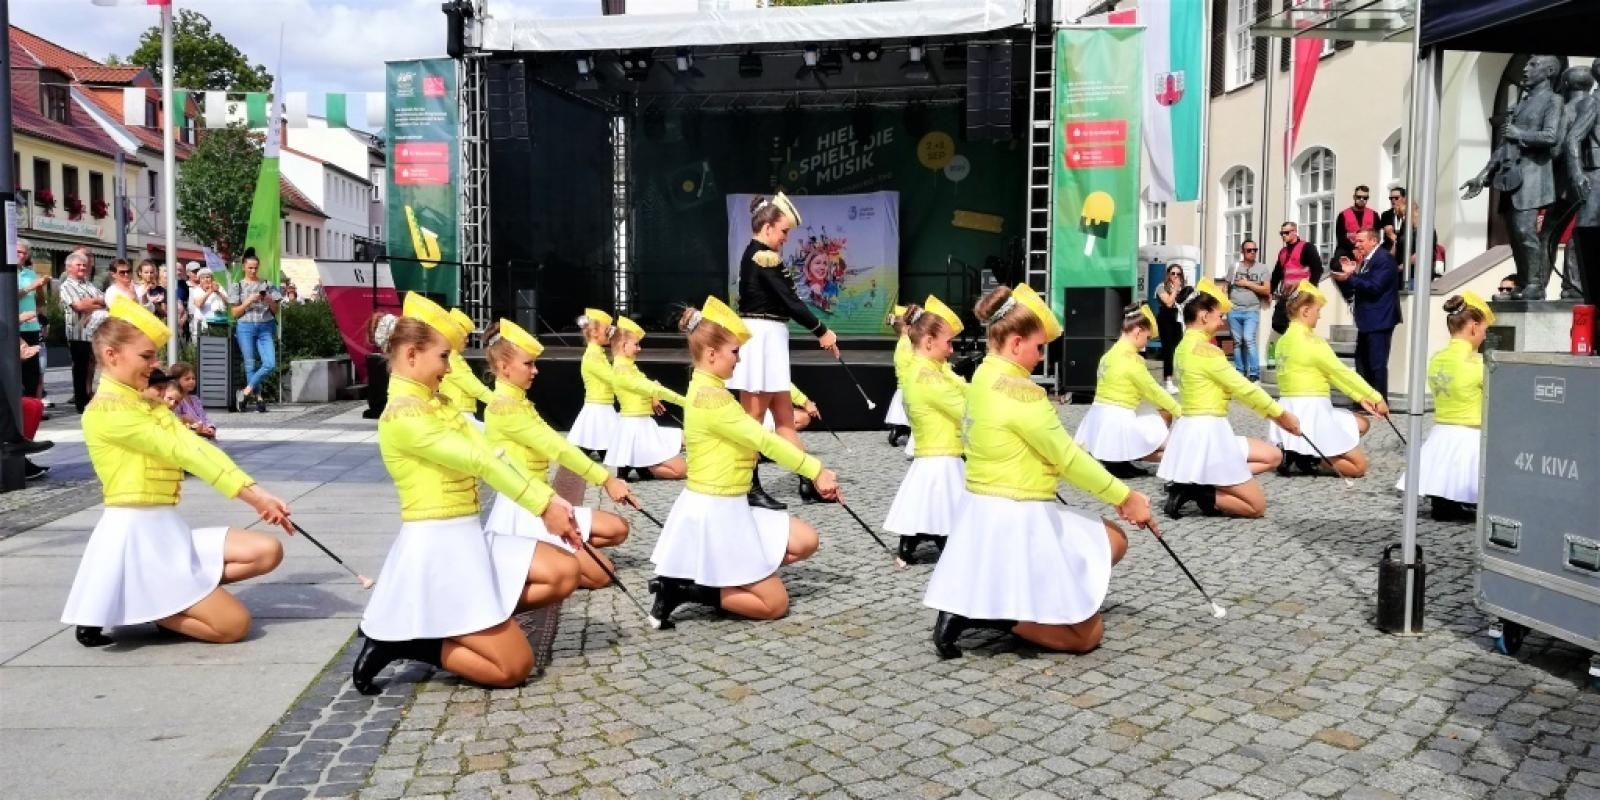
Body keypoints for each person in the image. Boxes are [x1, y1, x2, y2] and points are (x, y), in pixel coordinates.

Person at [352, 292, 583, 695]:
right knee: (514, 667)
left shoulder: (433, 404)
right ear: (410, 355)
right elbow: (480, 463)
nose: (450, 367)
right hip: (439, 546)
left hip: (466, 536)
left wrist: (552, 499)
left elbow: (490, 452)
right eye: (444, 357)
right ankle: (413, 641)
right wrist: (542, 504)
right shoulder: (403, 416)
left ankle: (471, 622)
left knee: (564, 571)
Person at [924, 284, 1152, 658]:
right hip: (1022, 515)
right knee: (1086, 636)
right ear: (1015, 344)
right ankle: (994, 616)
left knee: (1111, 540)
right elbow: (1068, 460)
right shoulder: (1023, 393)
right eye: (1038, 346)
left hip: (981, 515)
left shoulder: (982, 376)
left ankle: (990, 600)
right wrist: (1126, 497)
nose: (1040, 355)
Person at [60, 297, 292, 648]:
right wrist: (254, 496)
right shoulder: (108, 410)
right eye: (146, 356)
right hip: (136, 537)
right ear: (111, 355)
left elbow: (192, 444)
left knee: (267, 551)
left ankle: (167, 597)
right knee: (234, 626)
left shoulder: (141, 401)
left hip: (166, 530)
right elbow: (186, 451)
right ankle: (152, 608)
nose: (154, 366)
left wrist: (257, 493)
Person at [648, 296, 840, 627]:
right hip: (718, 509)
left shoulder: (712, 389)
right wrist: (815, 470)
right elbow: (764, 440)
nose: (739, 360)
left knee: (805, 540)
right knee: (774, 605)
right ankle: (683, 589)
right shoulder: (712, 399)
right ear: (711, 354)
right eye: (734, 352)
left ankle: (731, 578)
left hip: (735, 504)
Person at [480, 318, 635, 590]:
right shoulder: (504, 408)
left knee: (618, 529)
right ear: (504, 368)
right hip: (524, 509)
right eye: (528, 364)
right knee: (603, 575)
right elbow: (557, 446)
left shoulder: (516, 400)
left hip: (544, 499)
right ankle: (534, 559)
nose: (535, 371)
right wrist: (606, 480)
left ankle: (558, 551)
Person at [730, 193, 839, 511]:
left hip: (771, 336)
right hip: (761, 337)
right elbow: (791, 302)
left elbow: (786, 303)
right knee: (752, 420)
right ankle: (749, 486)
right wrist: (822, 330)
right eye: (783, 231)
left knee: (784, 422)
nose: (785, 238)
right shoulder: (763, 256)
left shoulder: (760, 254)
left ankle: (808, 477)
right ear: (766, 228)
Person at [1158, 279, 1300, 519]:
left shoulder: (1182, 346)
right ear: (1204, 316)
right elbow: (1244, 388)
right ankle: (1201, 493)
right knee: (1255, 507)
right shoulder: (1208, 351)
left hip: (1190, 430)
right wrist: (1280, 416)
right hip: (1209, 431)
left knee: (1273, 456)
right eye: (1218, 315)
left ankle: (1197, 484)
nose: (1222, 320)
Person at [881, 297, 969, 566]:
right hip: (941, 452)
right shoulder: (928, 376)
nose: (951, 350)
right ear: (929, 342)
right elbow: (965, 408)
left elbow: (963, 389)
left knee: (930, 503)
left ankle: (911, 546)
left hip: (940, 451)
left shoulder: (931, 369)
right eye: (948, 343)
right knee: (946, 511)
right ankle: (954, 555)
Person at [1269, 282, 1388, 478]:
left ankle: (1298, 453)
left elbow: (1330, 374)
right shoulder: (1313, 342)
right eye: (1317, 310)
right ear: (1306, 311)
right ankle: (1310, 459)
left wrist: (1359, 397)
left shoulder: (1282, 341)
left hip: (1291, 408)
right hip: (1312, 411)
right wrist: (1376, 397)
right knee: (1358, 468)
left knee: (1361, 424)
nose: (1320, 315)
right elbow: (1341, 372)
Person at [1397, 293, 1493, 523]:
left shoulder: (1437, 358)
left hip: (1442, 430)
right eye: (1484, 329)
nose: (1485, 335)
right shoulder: (1478, 363)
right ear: (1473, 327)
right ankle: (1464, 499)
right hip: (1472, 432)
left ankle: (1443, 501)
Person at [1074, 304, 1179, 478]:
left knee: (1148, 413)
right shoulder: (1132, 360)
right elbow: (1153, 391)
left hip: (1098, 415)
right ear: (1137, 332)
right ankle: (1122, 459)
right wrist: (1179, 410)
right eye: (1147, 337)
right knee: (1162, 419)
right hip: (1119, 417)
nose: (1147, 342)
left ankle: (1119, 461)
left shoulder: (1108, 355)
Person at [604, 316, 689, 481]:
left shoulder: (628, 366)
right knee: (681, 471)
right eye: (636, 344)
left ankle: (642, 464)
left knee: (685, 441)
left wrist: (653, 397)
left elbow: (648, 386)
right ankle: (644, 466)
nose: (639, 348)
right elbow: (650, 387)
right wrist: (686, 402)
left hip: (643, 423)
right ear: (623, 345)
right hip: (636, 425)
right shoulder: (622, 370)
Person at [1332, 228, 1402, 400]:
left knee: (1376, 364)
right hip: (1367, 320)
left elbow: (1374, 286)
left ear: (1373, 241)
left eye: (1361, 241)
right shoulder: (1367, 260)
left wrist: (1349, 277)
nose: (1357, 244)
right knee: (1362, 362)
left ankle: (1379, 401)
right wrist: (1352, 273)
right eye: (1356, 241)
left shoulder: (1384, 259)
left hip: (1379, 320)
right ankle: (1365, 400)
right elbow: (1363, 284)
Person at [228, 255, 280, 413]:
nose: (253, 270)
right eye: (250, 267)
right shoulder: (237, 285)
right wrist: (249, 301)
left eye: (256, 267)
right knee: (250, 364)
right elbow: (235, 313)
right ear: (243, 267)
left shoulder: (267, 284)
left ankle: (245, 392)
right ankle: (259, 398)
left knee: (270, 363)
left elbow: (276, 310)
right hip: (245, 326)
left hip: (265, 326)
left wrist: (269, 300)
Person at [57, 250, 107, 413]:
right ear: (68, 267)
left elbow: (105, 301)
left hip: (94, 332)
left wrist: (90, 303)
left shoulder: (88, 284)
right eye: (78, 265)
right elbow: (78, 306)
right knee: (80, 368)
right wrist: (96, 303)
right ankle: (81, 402)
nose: (83, 268)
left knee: (91, 367)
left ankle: (88, 396)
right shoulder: (66, 286)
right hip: (78, 332)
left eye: (85, 265)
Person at [566, 308, 619, 459]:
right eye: (607, 330)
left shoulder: (597, 353)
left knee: (601, 442)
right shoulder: (593, 356)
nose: (610, 333)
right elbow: (612, 378)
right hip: (598, 405)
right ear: (595, 332)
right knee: (604, 445)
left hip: (602, 404)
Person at [438, 308, 495, 429]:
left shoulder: (452, 357)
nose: (467, 340)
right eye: (465, 336)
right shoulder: (451, 358)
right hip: (459, 413)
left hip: (460, 411)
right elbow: (474, 387)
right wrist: (499, 402)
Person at [1269, 222, 1324, 342]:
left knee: (1299, 323)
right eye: (1282, 233)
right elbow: (1276, 274)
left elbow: (1317, 269)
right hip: (1287, 294)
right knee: (1277, 323)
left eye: (1287, 233)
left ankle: (1299, 345)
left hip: (1302, 294)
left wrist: (1309, 290)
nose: (1284, 235)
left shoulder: (1307, 247)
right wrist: (1270, 292)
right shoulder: (1283, 252)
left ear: (1294, 232)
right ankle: (1292, 341)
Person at [1226, 239, 1271, 381]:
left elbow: (1266, 289)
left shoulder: (1262, 268)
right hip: (1234, 310)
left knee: (1248, 339)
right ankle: (1240, 370)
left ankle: (1254, 372)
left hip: (1251, 310)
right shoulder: (1234, 267)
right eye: (1249, 250)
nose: (1252, 253)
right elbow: (1226, 287)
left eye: (1255, 250)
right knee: (1237, 342)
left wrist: (1247, 283)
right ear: (1243, 252)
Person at [16, 238, 47, 398]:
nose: (20, 256)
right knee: (16, 371)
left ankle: (31, 409)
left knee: (33, 373)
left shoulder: (30, 273)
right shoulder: (6, 273)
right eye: (17, 252)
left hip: (32, 327)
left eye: (23, 253)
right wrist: (30, 287)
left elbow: (38, 301)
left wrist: (41, 288)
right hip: (15, 327)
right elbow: (9, 295)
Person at [882, 305, 913, 448]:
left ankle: (899, 430)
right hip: (910, 382)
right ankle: (902, 431)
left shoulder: (902, 342)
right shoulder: (907, 343)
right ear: (907, 327)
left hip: (904, 382)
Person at [1154, 264, 1186, 393]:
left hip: (1179, 320)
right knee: (1168, 350)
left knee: (1179, 350)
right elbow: (1168, 302)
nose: (1175, 276)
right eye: (1173, 273)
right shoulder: (1161, 287)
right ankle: (1167, 380)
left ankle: (1177, 379)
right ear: (1168, 274)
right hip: (1166, 319)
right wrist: (1175, 290)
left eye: (1178, 274)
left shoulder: (1183, 288)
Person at [165, 362, 217, 439]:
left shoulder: (195, 399)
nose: (192, 381)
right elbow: (179, 421)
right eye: (187, 379)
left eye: (193, 378)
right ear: (176, 380)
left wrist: (211, 427)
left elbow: (204, 417)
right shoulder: (176, 401)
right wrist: (198, 429)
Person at [1334, 186, 1379, 264]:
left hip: (1367, 249)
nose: (1362, 199)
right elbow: (1340, 237)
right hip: (1348, 248)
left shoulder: (1374, 214)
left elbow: (1377, 236)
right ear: (1354, 197)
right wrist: (1354, 249)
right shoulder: (1343, 215)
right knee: (1336, 263)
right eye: (1359, 197)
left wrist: (1365, 249)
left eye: (1365, 198)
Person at [189, 268, 229, 340]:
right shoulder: (196, 290)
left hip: (218, 325)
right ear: (200, 280)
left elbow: (228, 302)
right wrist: (210, 291)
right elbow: (199, 304)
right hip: (202, 326)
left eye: (208, 277)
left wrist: (218, 292)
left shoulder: (219, 287)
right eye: (202, 278)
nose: (206, 280)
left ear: (212, 278)